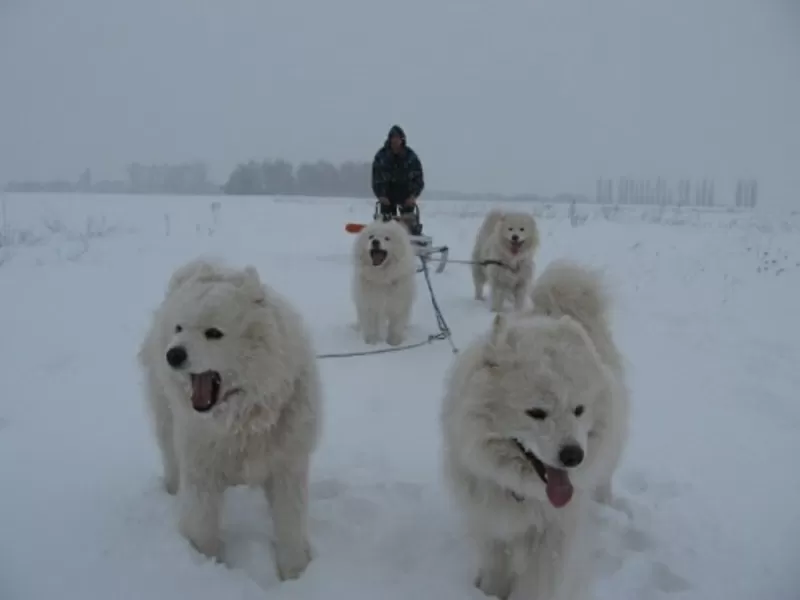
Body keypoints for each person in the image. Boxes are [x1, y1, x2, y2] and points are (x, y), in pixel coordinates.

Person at [371, 125, 425, 223]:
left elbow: (418, 179)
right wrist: (381, 195)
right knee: (385, 224)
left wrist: (413, 196)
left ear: (402, 140)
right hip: (386, 197)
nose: (395, 141)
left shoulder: (411, 158)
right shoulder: (381, 157)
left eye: (397, 138)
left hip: (406, 196)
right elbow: (376, 178)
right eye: (392, 138)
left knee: (408, 224)